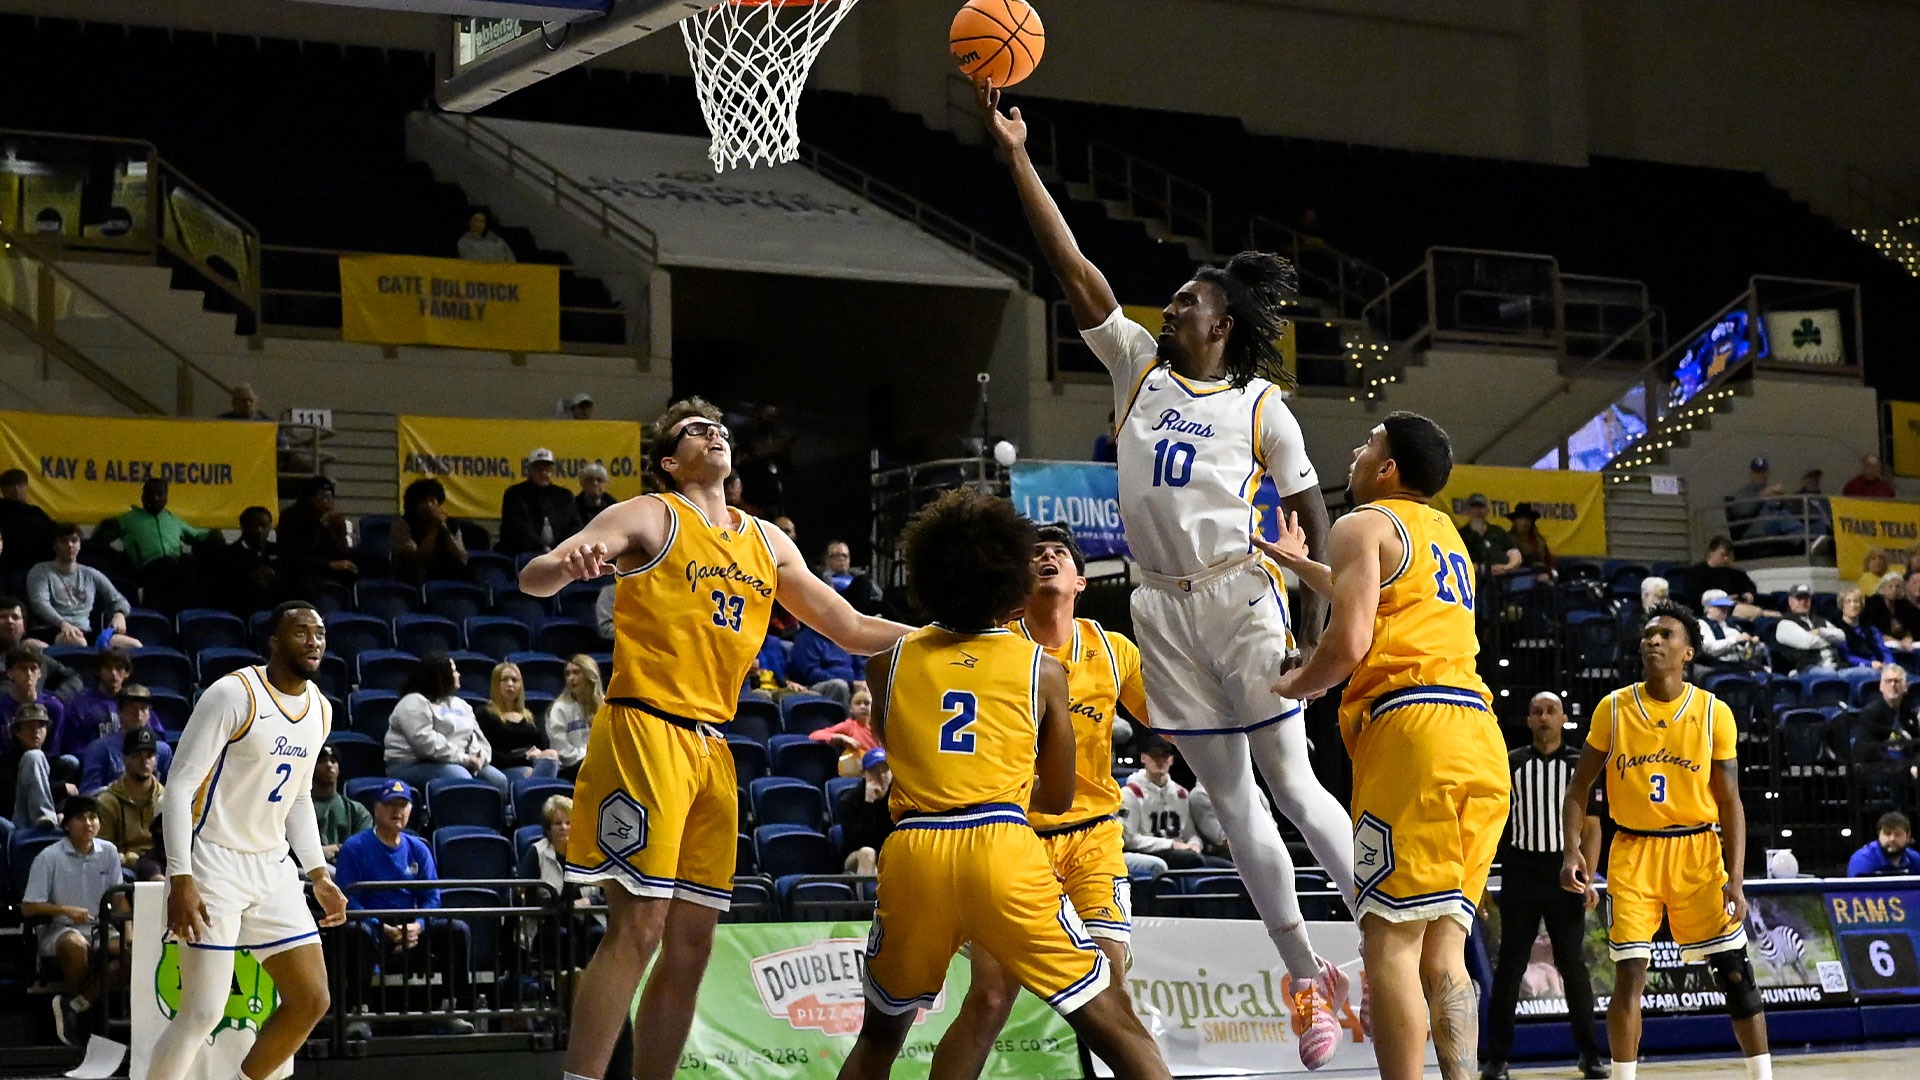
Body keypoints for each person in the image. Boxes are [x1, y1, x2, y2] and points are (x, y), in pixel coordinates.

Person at [981, 80, 1354, 1066]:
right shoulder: (1137, 366)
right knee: (1232, 809)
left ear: (1221, 322)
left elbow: (1315, 510)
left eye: (1190, 295)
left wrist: (1314, 635)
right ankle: (1309, 981)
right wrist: (1017, 156)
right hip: (1159, 608)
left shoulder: (1264, 403)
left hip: (1238, 596)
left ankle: (1395, 932)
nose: (1174, 299)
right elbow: (1073, 269)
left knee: (1292, 781)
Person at [517, 396, 914, 1080]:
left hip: (710, 746)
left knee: (693, 944)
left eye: (721, 428)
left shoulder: (765, 539)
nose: (715, 434)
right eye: (696, 431)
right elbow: (535, 576)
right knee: (637, 928)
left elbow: (846, 627)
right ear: (671, 462)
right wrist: (568, 562)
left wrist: (949, 636)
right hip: (644, 728)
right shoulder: (649, 513)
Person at [836, 487, 1168, 1080]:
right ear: (1011, 582)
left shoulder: (886, 664)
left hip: (917, 849)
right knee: (1112, 1023)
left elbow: (895, 750)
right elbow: (1058, 795)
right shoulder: (1039, 667)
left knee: (880, 1035)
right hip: (1004, 844)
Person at [1257, 411, 1509, 1080]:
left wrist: (1296, 685)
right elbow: (1376, 597)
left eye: (1368, 444)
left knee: (1389, 943)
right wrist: (1298, 564)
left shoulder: (1360, 523)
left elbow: (1349, 641)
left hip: (1411, 733)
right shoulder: (1446, 536)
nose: (1356, 453)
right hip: (1478, 738)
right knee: (1444, 950)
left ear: (1388, 466)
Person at [937, 523, 1153, 1077]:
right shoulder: (995, 646)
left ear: (1080, 581)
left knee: (1108, 978)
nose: (1048, 557)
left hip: (1093, 838)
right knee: (989, 998)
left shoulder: (1112, 648)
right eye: (1035, 554)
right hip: (1013, 838)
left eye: (1059, 552)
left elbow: (1170, 724)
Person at [1559, 603, 1767, 1080]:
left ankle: (1763, 1075)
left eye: (1666, 635)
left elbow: (1731, 803)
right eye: (1648, 634)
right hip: (1633, 851)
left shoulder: (1715, 713)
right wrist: (1572, 848)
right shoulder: (1612, 709)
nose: (1653, 640)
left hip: (1698, 850)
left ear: (1688, 652)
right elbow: (1577, 790)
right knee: (1630, 972)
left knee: (1735, 974)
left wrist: (1736, 879)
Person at [148, 602, 347, 1080]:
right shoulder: (233, 694)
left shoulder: (320, 708)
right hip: (214, 862)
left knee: (311, 999)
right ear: (274, 640)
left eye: (319, 633)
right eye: (301, 632)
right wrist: (181, 876)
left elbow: (298, 797)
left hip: (273, 867)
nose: (314, 641)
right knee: (201, 1013)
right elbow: (178, 787)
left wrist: (318, 873)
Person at [1481, 693, 1607, 1080]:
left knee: (1574, 967)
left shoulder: (1578, 766)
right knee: (1510, 968)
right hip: (1521, 869)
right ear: (1529, 720)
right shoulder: (1511, 764)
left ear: (1564, 718)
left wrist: (1588, 876)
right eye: (1537, 711)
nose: (1544, 717)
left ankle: (1590, 1054)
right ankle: (1498, 1059)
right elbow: (1492, 823)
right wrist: (1483, 879)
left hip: (1563, 871)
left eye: (1551, 710)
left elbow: (1592, 826)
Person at [332, 779, 474, 1034]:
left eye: (402, 805)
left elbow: (432, 897)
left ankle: (451, 1008)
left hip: (412, 929)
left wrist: (418, 926)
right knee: (356, 932)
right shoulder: (355, 847)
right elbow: (349, 899)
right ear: (376, 808)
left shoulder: (418, 848)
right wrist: (381, 925)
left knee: (457, 930)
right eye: (389, 804)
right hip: (374, 927)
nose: (396, 811)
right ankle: (359, 1011)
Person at [22, 795, 122, 1044]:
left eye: (93, 817)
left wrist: (129, 929)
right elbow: (28, 907)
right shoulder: (49, 857)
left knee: (131, 950)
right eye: (81, 818)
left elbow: (120, 897)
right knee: (75, 945)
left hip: (101, 928)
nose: (88, 823)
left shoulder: (109, 852)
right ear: (67, 824)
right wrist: (65, 910)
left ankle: (77, 1006)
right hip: (60, 929)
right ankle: (89, 1022)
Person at [384, 653, 510, 799]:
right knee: (460, 777)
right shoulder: (413, 702)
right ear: (440, 676)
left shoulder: (461, 704)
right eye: (454, 671)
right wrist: (464, 759)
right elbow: (426, 744)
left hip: (459, 760)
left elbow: (477, 737)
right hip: (411, 764)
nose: (458, 674)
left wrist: (479, 758)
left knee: (498, 780)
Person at [93, 478, 210, 612]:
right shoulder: (128, 519)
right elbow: (100, 539)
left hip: (176, 571)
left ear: (166, 498)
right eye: (151, 494)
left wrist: (214, 535)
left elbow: (199, 537)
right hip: (146, 571)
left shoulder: (173, 519)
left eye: (160, 494)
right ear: (143, 496)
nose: (155, 498)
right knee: (167, 564)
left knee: (190, 562)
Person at [26, 525, 139, 648]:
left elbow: (118, 599)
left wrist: (119, 614)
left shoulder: (90, 574)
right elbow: (39, 603)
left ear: (80, 545)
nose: (69, 545)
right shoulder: (40, 571)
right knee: (77, 643)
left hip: (86, 632)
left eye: (74, 541)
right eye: (63, 541)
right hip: (53, 630)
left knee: (133, 645)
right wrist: (63, 623)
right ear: (54, 545)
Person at [1120, 737, 1223, 869]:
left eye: (1164, 756)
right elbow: (1129, 840)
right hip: (1148, 852)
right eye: (1155, 756)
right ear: (1143, 758)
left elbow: (1190, 833)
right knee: (1191, 860)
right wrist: (1170, 845)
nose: (1160, 761)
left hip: (1181, 851)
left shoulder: (1180, 793)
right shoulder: (1131, 793)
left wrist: (1195, 845)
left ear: (1171, 760)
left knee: (1226, 867)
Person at [79, 683, 173, 793]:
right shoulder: (99, 748)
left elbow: (173, 789)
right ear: (120, 712)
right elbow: (88, 792)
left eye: (143, 708)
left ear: (149, 714)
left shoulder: (163, 750)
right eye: (131, 708)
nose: (138, 715)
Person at [95, 727, 164, 870]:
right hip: (123, 867)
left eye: (149, 755)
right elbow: (104, 851)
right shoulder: (107, 801)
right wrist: (130, 860)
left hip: (160, 862)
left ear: (156, 760)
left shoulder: (166, 798)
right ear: (125, 759)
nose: (144, 761)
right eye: (137, 755)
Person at [478, 660, 560, 781]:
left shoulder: (529, 716)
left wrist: (537, 754)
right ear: (496, 684)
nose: (510, 684)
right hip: (503, 768)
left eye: (514, 680)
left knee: (551, 755)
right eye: (504, 679)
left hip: (533, 765)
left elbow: (541, 747)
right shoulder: (485, 713)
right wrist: (524, 758)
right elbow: (488, 753)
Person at [276, 476, 357, 596]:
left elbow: (340, 552)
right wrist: (329, 564)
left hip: (327, 567)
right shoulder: (292, 517)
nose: (326, 502)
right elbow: (291, 555)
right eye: (320, 497)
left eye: (329, 497)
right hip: (300, 570)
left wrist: (336, 531)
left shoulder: (334, 520)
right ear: (308, 499)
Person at [499, 448, 583, 557]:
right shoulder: (515, 494)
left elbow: (575, 526)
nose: (543, 473)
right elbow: (516, 527)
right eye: (538, 469)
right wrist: (542, 547)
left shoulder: (564, 496)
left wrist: (561, 548)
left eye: (547, 469)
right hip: (523, 552)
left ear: (553, 471)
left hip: (561, 553)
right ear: (529, 470)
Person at [62, 650, 141, 758]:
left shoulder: (137, 702)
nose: (113, 673)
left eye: (119, 668)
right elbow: (72, 746)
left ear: (127, 673)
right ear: (98, 671)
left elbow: (154, 736)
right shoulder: (80, 704)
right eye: (108, 668)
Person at [4, 703, 72, 828]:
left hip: (55, 822)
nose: (35, 732)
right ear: (18, 732)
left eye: (40, 726)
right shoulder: (6, 761)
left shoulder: (53, 761)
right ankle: (44, 816)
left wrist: (63, 811)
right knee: (34, 756)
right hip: (17, 824)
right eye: (29, 726)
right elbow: (11, 793)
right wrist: (61, 788)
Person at [392, 478, 469, 585]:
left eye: (432, 500)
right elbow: (416, 560)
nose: (429, 505)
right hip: (414, 579)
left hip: (446, 576)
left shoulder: (450, 523)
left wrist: (444, 528)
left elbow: (461, 559)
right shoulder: (403, 524)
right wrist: (434, 527)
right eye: (424, 501)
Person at [0, 595, 79, 697]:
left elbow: (73, 677)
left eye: (15, 617)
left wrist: (57, 699)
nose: (10, 621)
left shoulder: (38, 658)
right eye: (3, 617)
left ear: (24, 626)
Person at [209, 506, 280, 617]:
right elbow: (221, 589)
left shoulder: (280, 551)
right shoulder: (226, 555)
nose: (259, 530)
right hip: (240, 611)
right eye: (254, 526)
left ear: (270, 527)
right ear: (242, 527)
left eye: (263, 526)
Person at [835, 748, 894, 875]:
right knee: (867, 852)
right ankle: (866, 895)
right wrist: (869, 803)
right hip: (856, 856)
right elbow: (858, 841)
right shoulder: (849, 800)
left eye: (885, 769)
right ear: (864, 774)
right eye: (874, 771)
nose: (881, 775)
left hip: (889, 855)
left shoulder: (900, 799)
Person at [544, 653, 602, 781]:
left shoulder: (605, 707)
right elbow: (561, 749)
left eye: (576, 673)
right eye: (568, 674)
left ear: (589, 676)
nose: (571, 678)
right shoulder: (559, 708)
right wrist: (587, 757)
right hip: (571, 768)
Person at [3, 644, 70, 753]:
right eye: (22, 668)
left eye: (33, 668)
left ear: (40, 673)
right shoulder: (2, 706)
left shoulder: (54, 707)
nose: (29, 674)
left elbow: (54, 749)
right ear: (10, 673)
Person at [310, 744, 370, 864]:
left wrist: (337, 848)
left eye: (333, 761)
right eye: (321, 761)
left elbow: (365, 846)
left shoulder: (356, 810)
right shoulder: (295, 809)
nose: (329, 765)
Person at [0, 468, 57, 591]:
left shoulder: (36, 513)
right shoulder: (35, 514)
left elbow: (55, 537)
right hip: (16, 572)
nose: (16, 490)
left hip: (33, 570)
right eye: (12, 486)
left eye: (19, 485)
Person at [1773, 584, 1848, 673]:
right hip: (1807, 669)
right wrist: (1830, 641)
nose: (1803, 602)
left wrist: (1821, 632)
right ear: (1791, 602)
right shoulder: (1785, 624)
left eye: (1806, 599)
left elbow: (1841, 636)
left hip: (1836, 666)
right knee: (1830, 674)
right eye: (1799, 599)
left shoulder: (1819, 619)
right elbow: (1809, 642)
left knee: (1865, 672)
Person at [808, 685, 879, 775]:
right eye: (858, 703)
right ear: (851, 709)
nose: (863, 707)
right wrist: (841, 737)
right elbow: (814, 735)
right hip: (858, 771)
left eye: (867, 703)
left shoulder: (879, 728)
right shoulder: (849, 725)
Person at [786, 624, 862, 708]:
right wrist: (850, 682)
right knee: (839, 685)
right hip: (815, 685)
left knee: (869, 685)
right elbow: (810, 673)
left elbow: (858, 665)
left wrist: (861, 681)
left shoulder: (844, 639)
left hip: (851, 683)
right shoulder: (805, 639)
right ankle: (845, 719)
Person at [1696, 590, 1768, 675]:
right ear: (1708, 608)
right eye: (1720, 607)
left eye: (1726, 607)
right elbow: (1710, 649)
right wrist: (1735, 640)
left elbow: (1746, 655)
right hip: (1717, 668)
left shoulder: (1732, 625)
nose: (1725, 610)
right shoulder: (1702, 624)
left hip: (1738, 666)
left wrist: (1752, 645)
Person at [1458, 493, 1523, 578]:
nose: (1478, 510)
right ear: (1467, 511)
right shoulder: (1460, 535)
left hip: (1505, 578)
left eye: (1481, 506)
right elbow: (1457, 561)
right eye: (1473, 507)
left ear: (1487, 510)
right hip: (1476, 581)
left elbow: (1514, 552)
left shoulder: (1497, 531)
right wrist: (1483, 569)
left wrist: (1507, 567)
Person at [1687, 537, 1760, 613]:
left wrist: (1749, 593)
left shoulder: (1735, 573)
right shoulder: (1697, 572)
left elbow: (1750, 586)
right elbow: (1695, 598)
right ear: (1711, 552)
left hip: (1736, 605)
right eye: (1723, 555)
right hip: (1712, 610)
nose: (1726, 559)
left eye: (1728, 556)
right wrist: (1723, 601)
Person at [1838, 590, 1897, 671]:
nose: (1853, 605)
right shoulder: (1838, 630)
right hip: (1857, 668)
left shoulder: (1872, 629)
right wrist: (1869, 664)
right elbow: (1846, 656)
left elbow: (1884, 650)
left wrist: (1890, 664)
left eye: (1856, 602)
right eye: (1848, 601)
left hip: (1880, 666)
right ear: (1842, 606)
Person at [1848, 811, 1920, 876]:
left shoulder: (1915, 859)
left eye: (1898, 834)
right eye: (1887, 833)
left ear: (1908, 836)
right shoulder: (1862, 860)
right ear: (1879, 834)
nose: (1892, 839)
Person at [1864, 571, 1916, 650]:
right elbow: (1869, 627)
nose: (1894, 590)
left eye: (1897, 587)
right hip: (1878, 643)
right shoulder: (1871, 603)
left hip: (1902, 644)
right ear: (1882, 588)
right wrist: (1893, 640)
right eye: (1890, 586)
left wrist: (1909, 637)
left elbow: (1914, 625)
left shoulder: (1904, 604)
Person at [1506, 502, 1553, 575]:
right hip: (1521, 577)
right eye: (1521, 519)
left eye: (1528, 519)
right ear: (1515, 521)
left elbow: (1550, 561)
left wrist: (1549, 573)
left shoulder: (1538, 540)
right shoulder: (1509, 540)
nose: (1524, 523)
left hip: (1543, 576)